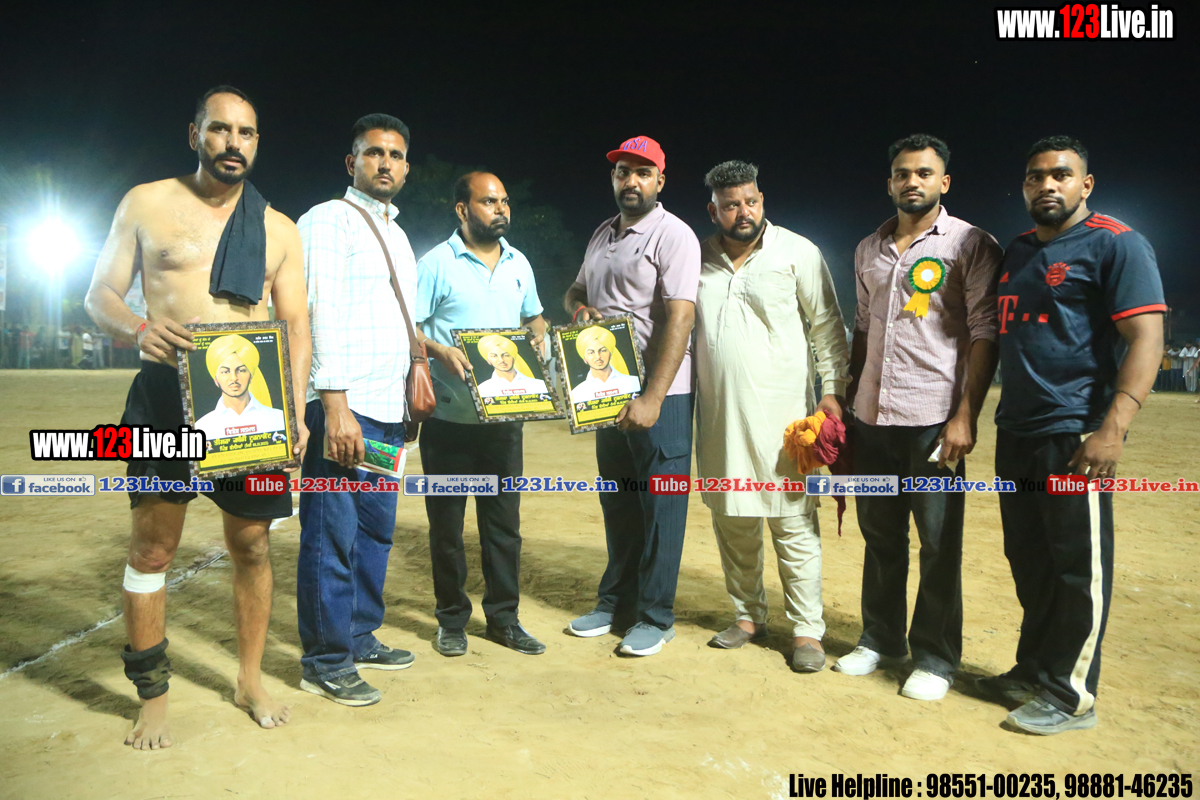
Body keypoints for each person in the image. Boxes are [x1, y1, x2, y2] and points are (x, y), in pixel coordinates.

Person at [83, 85, 311, 749]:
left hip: (251, 407)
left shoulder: (278, 229)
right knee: (153, 549)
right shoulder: (145, 203)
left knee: (253, 544)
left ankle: (249, 679)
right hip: (163, 396)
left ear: (257, 142)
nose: (233, 143)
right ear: (195, 135)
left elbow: (296, 326)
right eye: (220, 129)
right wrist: (136, 327)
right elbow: (98, 294)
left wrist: (296, 411)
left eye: (246, 132)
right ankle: (152, 697)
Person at [987, 136, 1166, 734]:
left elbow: (1147, 338)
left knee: (1076, 567)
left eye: (1061, 175)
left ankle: (1071, 695)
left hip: (1075, 435)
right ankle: (1034, 670)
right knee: (1029, 559)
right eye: (1036, 176)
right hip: (1016, 430)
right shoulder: (1017, 250)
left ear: (1085, 184)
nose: (1047, 185)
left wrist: (1112, 428)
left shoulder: (1117, 244)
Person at [840, 134, 1002, 701]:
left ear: (944, 182)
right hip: (872, 419)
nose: (912, 181)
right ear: (890, 182)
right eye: (903, 173)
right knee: (879, 536)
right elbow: (863, 327)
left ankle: (934, 658)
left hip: (935, 419)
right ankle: (880, 639)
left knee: (937, 543)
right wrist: (848, 399)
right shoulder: (868, 247)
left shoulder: (971, 243)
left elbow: (984, 331)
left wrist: (966, 415)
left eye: (924, 173)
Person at [693, 161, 850, 673]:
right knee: (732, 522)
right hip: (720, 419)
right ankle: (747, 616)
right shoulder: (695, 258)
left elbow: (828, 326)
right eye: (731, 205)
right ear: (713, 210)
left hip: (786, 420)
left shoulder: (797, 251)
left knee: (793, 524)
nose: (743, 212)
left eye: (751, 201)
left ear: (762, 201)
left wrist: (833, 392)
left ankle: (807, 630)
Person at [296, 113, 419, 707]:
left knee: (374, 533)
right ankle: (325, 660)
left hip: (388, 409)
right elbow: (317, 310)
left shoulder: (399, 235)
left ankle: (360, 634)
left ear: (406, 168)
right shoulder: (328, 219)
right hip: (345, 409)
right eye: (374, 153)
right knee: (331, 536)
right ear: (353, 163)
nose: (385, 163)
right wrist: (334, 404)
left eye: (395, 155)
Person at [563, 135, 701, 656]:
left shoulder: (674, 235)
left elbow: (681, 318)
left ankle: (655, 617)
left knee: (662, 507)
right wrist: (580, 311)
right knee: (619, 501)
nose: (631, 181)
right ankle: (614, 604)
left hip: (660, 394)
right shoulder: (603, 233)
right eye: (623, 171)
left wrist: (654, 399)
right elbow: (576, 291)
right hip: (607, 388)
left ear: (660, 181)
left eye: (643, 173)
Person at [415, 171, 549, 657]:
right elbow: (407, 327)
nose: (501, 210)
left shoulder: (519, 263)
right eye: (490, 202)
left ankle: (504, 619)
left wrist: (538, 336)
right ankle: (451, 619)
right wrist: (439, 350)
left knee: (503, 526)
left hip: (504, 422)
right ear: (462, 209)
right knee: (447, 529)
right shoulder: (435, 263)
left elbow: (534, 317)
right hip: (449, 421)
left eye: (504, 201)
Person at [194, 334, 287, 442]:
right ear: (216, 380)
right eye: (225, 372)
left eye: (241, 370)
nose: (234, 378)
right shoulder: (201, 428)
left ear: (251, 376)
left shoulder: (279, 419)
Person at [568, 325, 641, 403]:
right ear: (585, 359)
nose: (598, 356)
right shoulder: (577, 394)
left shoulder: (634, 383)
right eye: (591, 352)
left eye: (603, 350)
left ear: (610, 353)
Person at [475, 334, 548, 399]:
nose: (501, 360)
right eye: (494, 356)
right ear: (488, 361)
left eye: (506, 355)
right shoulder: (482, 389)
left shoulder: (538, 385)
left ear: (514, 357)